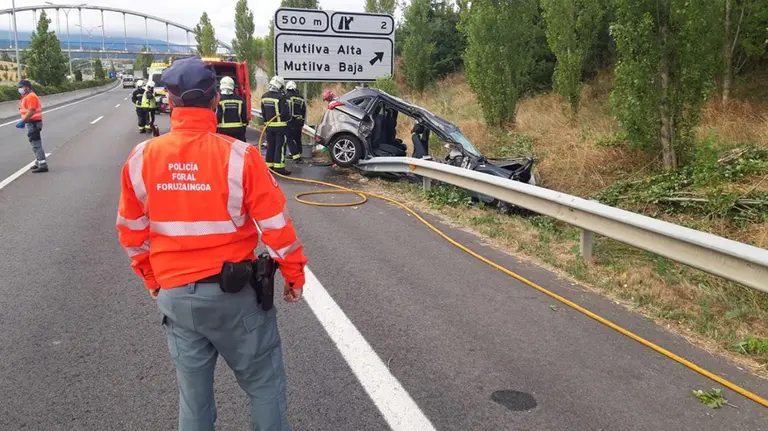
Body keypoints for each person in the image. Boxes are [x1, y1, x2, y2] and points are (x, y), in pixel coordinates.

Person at [116, 56, 307, 431]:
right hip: (235, 298)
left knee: (194, 402)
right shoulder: (240, 157)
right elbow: (275, 226)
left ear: (169, 103)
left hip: (176, 298)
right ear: (215, 102)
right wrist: (293, 274)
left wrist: (152, 279)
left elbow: (131, 231)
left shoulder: (142, 158)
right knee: (265, 387)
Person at [260, 76, 291, 175]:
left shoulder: (264, 96)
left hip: (269, 126)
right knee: (280, 147)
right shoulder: (281, 97)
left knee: (270, 146)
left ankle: (269, 166)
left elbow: (263, 113)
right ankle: (279, 168)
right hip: (280, 127)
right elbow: (285, 114)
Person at [15, 79, 48, 173]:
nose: (19, 89)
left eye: (21, 87)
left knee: (36, 144)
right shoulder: (26, 96)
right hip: (31, 123)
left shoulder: (31, 96)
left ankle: (43, 165)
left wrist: (23, 121)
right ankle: (39, 162)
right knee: (34, 143)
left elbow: (31, 110)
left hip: (34, 123)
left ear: (27, 87)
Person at [216, 76, 248, 142]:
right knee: (238, 150)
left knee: (225, 150)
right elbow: (244, 116)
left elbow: (218, 116)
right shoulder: (240, 100)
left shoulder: (219, 100)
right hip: (238, 130)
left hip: (223, 131)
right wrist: (243, 128)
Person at [284, 81, 306, 164]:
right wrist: (302, 121)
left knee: (289, 139)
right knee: (297, 138)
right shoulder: (301, 97)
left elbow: (285, 109)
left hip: (290, 121)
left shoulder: (287, 96)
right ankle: (299, 153)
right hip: (299, 121)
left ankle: (295, 156)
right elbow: (304, 110)